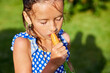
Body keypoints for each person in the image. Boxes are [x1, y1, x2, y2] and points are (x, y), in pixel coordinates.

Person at [11, 0, 74, 73]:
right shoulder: (23, 44)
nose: (53, 28)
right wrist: (53, 64)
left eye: (58, 18)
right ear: (27, 17)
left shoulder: (64, 38)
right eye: (43, 22)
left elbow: (68, 66)